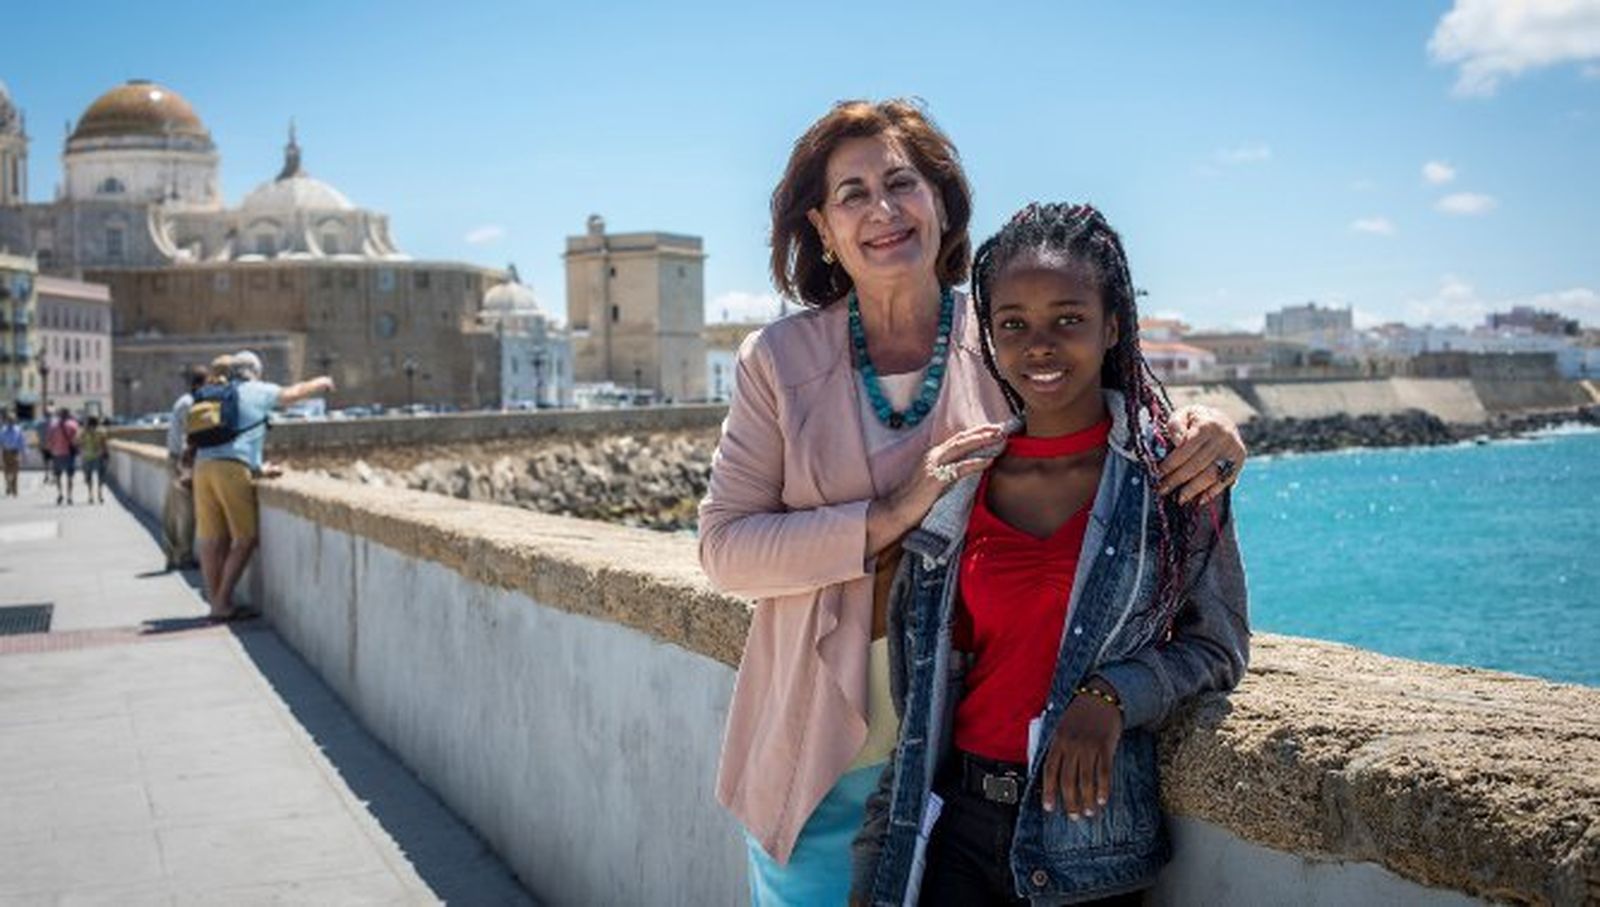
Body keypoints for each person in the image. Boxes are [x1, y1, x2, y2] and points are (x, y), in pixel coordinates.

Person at [698, 100, 1248, 904]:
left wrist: (1217, 430)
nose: (883, 210)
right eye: (852, 194)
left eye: (901, 182)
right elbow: (723, 548)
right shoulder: (775, 360)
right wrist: (888, 515)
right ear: (821, 225)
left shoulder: (999, 336)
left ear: (943, 202)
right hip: (815, 742)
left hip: (956, 759)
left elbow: (1115, 421)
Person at [852, 203, 1250, 906]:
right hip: (954, 830)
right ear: (992, 336)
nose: (1039, 345)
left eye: (1067, 318)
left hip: (1087, 843)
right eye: (1014, 324)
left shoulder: (1172, 477)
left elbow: (1218, 647)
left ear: (1113, 324)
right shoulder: (961, 482)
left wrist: (1114, 695)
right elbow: (921, 701)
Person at [192, 350, 334, 621]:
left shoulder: (218, 390)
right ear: (255, 371)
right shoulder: (257, 390)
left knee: (211, 539)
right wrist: (321, 382)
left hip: (203, 467)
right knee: (244, 539)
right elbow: (293, 394)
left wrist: (257, 467)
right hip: (231, 469)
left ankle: (214, 601)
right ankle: (222, 603)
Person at [163, 365, 210, 570]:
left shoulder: (182, 401)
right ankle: (184, 556)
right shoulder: (191, 404)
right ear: (201, 383)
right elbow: (187, 437)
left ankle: (172, 555)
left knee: (173, 511)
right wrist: (187, 470)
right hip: (182, 462)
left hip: (174, 458)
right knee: (187, 511)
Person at [44, 408, 80, 505]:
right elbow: (76, 439)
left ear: (59, 415)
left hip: (56, 454)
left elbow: (49, 440)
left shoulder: (52, 426)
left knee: (58, 476)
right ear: (68, 415)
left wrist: (51, 450)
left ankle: (60, 494)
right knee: (70, 477)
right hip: (69, 454)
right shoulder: (73, 424)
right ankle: (69, 496)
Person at [78, 416, 109, 504]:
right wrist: (106, 454)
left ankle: (90, 495)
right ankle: (100, 494)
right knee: (100, 476)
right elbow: (104, 444)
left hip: (87, 457)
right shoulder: (101, 431)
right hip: (99, 456)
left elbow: (80, 443)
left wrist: (82, 452)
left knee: (89, 477)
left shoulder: (83, 432)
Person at [1, 410, 24, 496]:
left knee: (15, 471)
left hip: (15, 452)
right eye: (9, 419)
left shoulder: (18, 430)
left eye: (12, 419)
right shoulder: (3, 430)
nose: (11, 421)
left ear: (15, 420)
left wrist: (24, 454)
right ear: (6, 420)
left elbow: (21, 442)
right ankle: (8, 484)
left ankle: (14, 488)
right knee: (6, 471)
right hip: (5, 452)